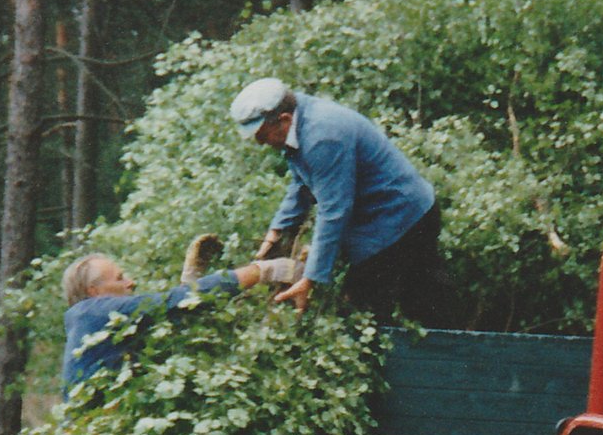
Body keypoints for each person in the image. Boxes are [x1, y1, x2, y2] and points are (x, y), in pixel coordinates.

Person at [230, 78, 451, 324]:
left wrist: (310, 279)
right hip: (386, 215)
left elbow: (334, 211)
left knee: (374, 312)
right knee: (415, 299)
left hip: (401, 219)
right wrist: (276, 231)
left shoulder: (322, 137)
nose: (260, 142)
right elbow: (302, 183)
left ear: (284, 119)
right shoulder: (297, 117)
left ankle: (444, 343)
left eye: (262, 135)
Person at [61, 251, 300, 395]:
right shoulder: (92, 312)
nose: (131, 283)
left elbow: (168, 320)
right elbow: (169, 303)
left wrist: (190, 289)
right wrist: (263, 271)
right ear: (94, 291)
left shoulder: (95, 324)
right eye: (120, 278)